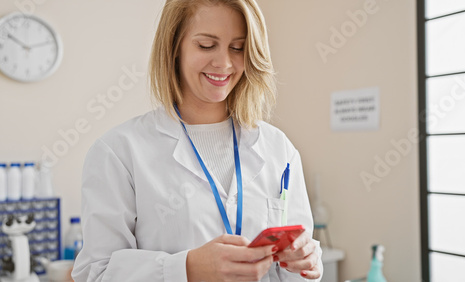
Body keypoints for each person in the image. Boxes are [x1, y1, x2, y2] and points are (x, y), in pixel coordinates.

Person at [72, 0, 323, 281]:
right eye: (206, 45)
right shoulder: (118, 152)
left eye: (238, 47)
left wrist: (307, 261)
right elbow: (95, 273)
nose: (224, 63)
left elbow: (295, 265)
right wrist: (187, 269)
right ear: (174, 48)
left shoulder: (279, 148)